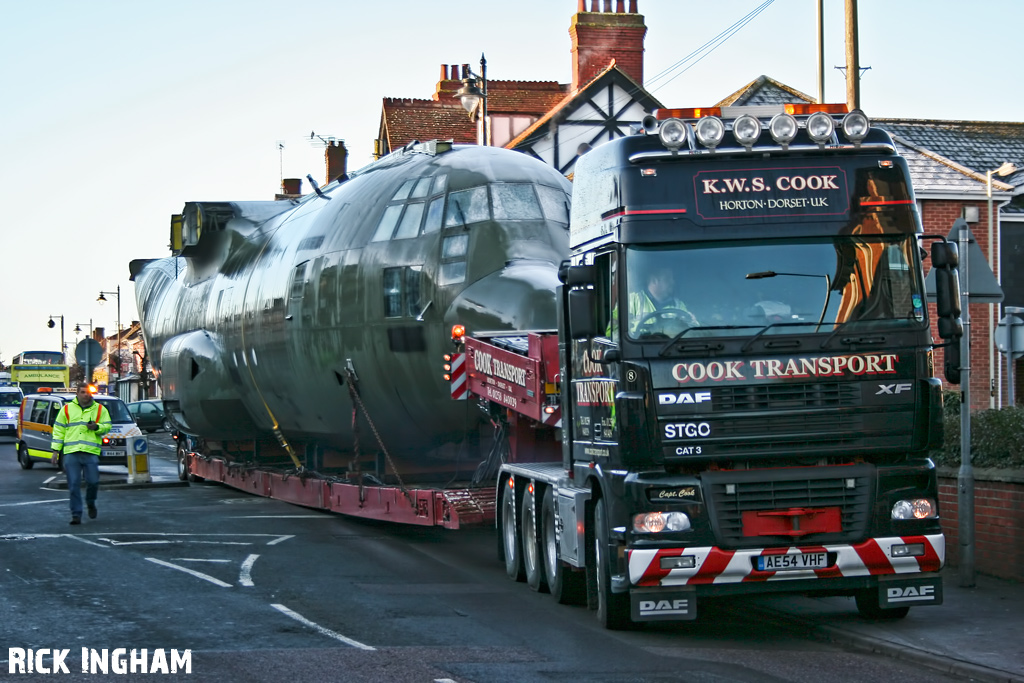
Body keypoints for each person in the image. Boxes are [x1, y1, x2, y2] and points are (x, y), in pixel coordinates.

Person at [51, 385, 111, 525]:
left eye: (87, 393)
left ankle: (90, 503)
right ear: (77, 393)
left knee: (93, 482)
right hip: (72, 453)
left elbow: (107, 426)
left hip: (90, 453)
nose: (85, 395)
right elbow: (59, 431)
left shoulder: (100, 409)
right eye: (82, 392)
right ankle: (76, 514)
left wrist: (97, 427)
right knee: (74, 485)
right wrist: (55, 451)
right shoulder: (66, 409)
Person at [627, 265, 698, 336]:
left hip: (671, 345)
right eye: (667, 279)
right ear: (654, 281)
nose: (672, 282)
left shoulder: (678, 305)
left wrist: (693, 322)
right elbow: (616, 327)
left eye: (672, 278)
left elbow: (691, 332)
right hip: (640, 345)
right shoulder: (632, 300)